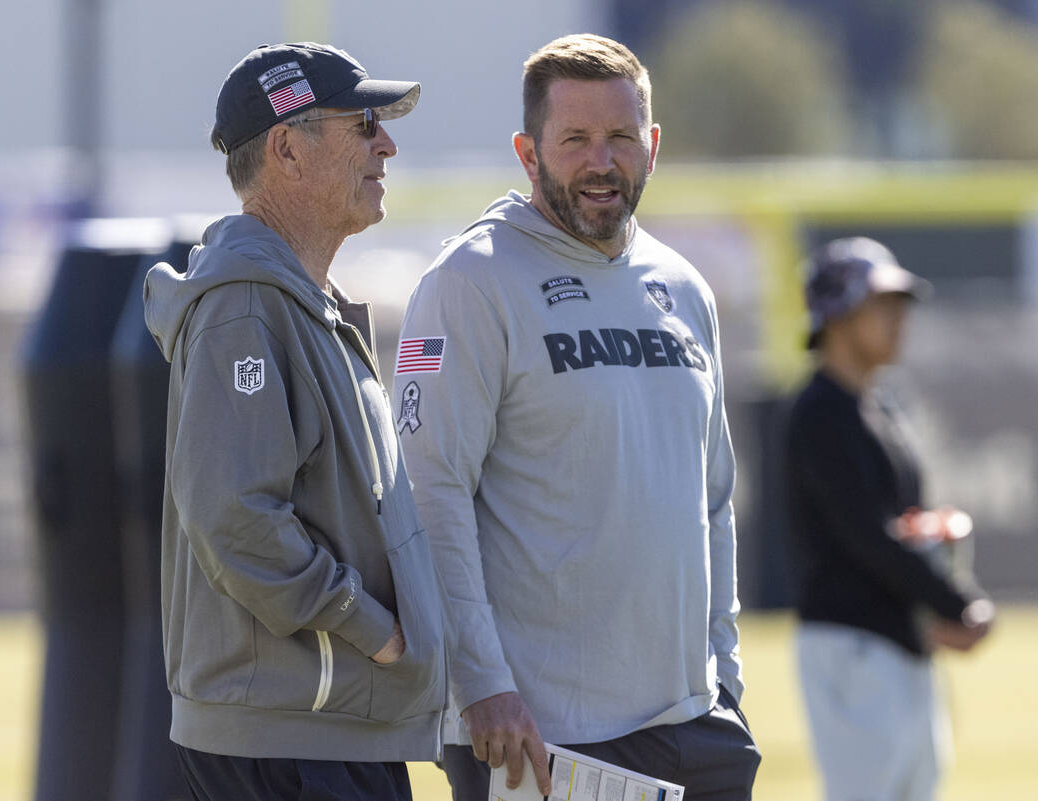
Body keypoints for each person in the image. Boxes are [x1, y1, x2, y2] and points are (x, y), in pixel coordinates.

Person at [393, 34, 760, 801]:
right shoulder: (471, 281)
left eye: (620, 136)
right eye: (575, 140)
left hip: (695, 722)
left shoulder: (683, 286)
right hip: (539, 733)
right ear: (528, 154)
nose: (602, 161)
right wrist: (482, 683)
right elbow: (430, 499)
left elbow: (715, 497)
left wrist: (723, 675)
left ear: (651, 147)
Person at [142, 42, 447, 801]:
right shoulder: (243, 309)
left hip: (323, 727)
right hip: (290, 741)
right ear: (286, 147)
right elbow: (236, 519)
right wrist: (373, 629)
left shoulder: (296, 304)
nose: (387, 144)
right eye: (363, 124)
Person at [783, 236, 996, 801]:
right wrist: (957, 603)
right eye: (881, 304)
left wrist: (941, 598)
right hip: (853, 647)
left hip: (899, 642)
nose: (899, 318)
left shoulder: (877, 406)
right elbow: (866, 536)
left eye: (899, 305)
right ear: (837, 314)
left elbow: (898, 528)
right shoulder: (820, 412)